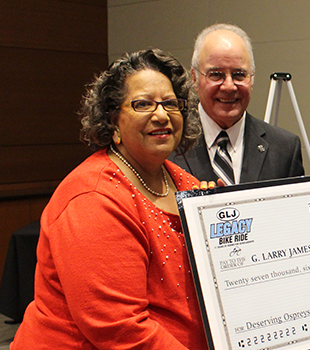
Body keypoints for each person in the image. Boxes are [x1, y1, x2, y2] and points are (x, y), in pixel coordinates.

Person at [11, 49, 212, 349]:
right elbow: (120, 328)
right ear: (113, 119)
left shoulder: (184, 183)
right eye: (143, 104)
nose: (161, 115)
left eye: (171, 103)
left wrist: (223, 219)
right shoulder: (93, 199)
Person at [171, 23, 305, 185]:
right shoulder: (170, 143)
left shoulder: (284, 149)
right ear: (194, 78)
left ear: (252, 78)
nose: (229, 86)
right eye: (216, 75)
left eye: (239, 75)